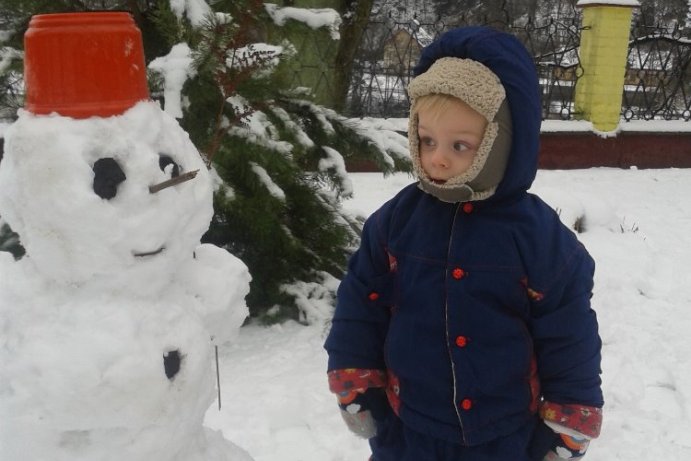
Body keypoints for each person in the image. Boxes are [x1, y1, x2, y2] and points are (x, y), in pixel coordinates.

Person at [323, 26, 603, 461]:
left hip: (506, 432)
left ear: (503, 143)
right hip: (408, 424)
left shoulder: (534, 234)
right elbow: (362, 299)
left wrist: (570, 414)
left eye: (461, 145)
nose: (438, 157)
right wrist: (354, 374)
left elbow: (567, 329)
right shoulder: (398, 220)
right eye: (427, 139)